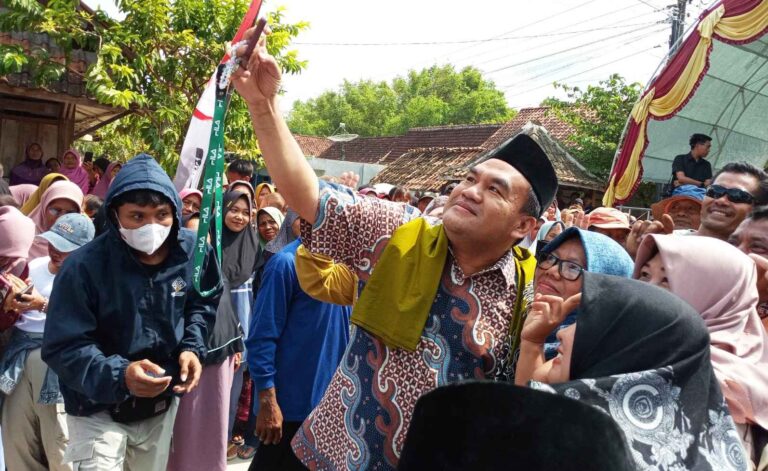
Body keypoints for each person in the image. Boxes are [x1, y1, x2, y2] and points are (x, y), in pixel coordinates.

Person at [231, 33, 557, 469]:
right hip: (330, 457)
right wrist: (263, 104)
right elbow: (308, 195)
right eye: (469, 179)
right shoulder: (401, 233)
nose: (470, 191)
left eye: (494, 190)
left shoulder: (528, 295)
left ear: (523, 226)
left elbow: (520, 398)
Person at [41, 153, 221, 470]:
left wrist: (193, 347)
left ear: (175, 214)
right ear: (114, 215)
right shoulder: (84, 268)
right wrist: (121, 375)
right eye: (137, 216)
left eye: (162, 215)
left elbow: (202, 302)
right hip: (96, 408)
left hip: (159, 407)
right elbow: (63, 345)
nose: (151, 226)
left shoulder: (193, 253)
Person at [518, 273, 748, 470]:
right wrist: (531, 342)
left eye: (588, 325)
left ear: (628, 349)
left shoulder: (583, 450)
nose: (561, 332)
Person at [634, 234, 768, 465]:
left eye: (668, 281)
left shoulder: (718, 389)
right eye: (645, 275)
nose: (646, 290)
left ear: (716, 299)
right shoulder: (642, 348)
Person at [0, 213, 95, 471]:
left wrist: (41, 304)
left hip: (57, 361)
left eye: (64, 248)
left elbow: (86, 319)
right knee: (16, 436)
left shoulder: (89, 276)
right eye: (54, 242)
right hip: (19, 357)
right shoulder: (37, 264)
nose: (55, 251)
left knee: (59, 440)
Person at [247, 238, 352, 471]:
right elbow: (261, 337)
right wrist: (267, 401)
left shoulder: (348, 264)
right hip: (289, 409)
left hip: (329, 404)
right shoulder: (286, 263)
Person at [168, 191, 246, 471]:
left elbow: (226, 309)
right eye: (191, 237)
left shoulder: (215, 270)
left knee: (214, 422)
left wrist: (237, 344)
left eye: (204, 237)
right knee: (185, 427)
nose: (198, 244)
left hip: (221, 356)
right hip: (190, 359)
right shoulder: (175, 275)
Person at [526, 227, 633, 366]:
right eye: (551, 258)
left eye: (573, 267)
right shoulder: (522, 311)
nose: (552, 271)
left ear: (601, 288)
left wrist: (532, 343)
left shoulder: (585, 357)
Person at [697, 162, 768, 241]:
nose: (721, 201)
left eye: (737, 196)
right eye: (715, 191)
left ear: (757, 209)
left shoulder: (745, 253)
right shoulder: (680, 238)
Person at [27, 180, 83, 259]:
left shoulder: (82, 244)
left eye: (70, 213)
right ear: (44, 208)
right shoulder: (22, 235)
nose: (62, 218)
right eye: (55, 210)